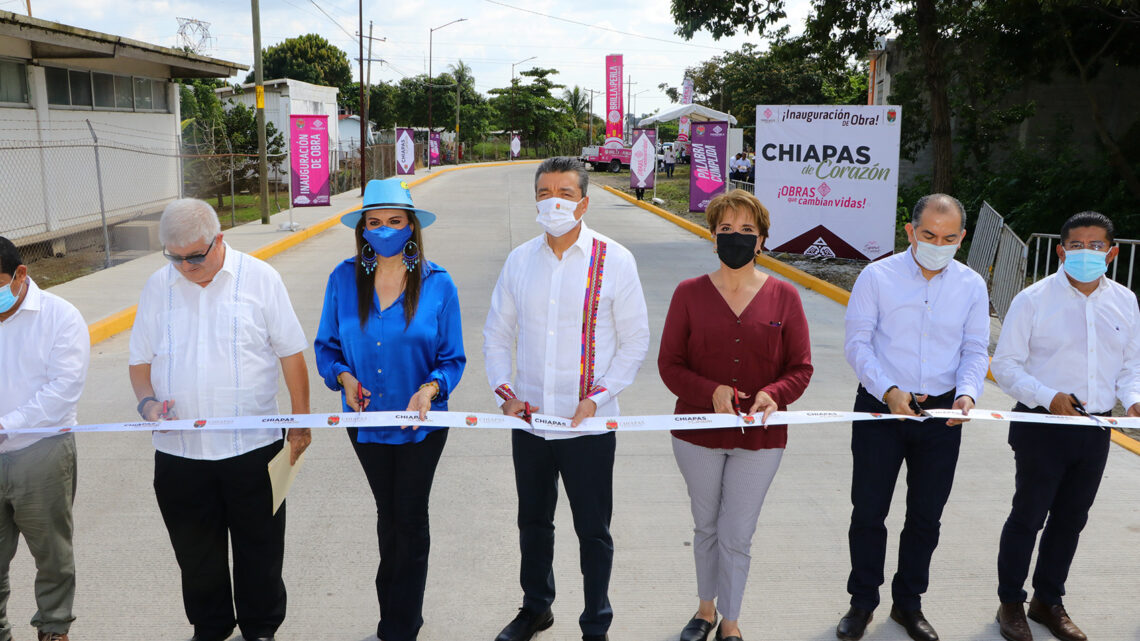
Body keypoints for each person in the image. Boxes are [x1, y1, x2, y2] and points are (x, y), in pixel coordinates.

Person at [128, 199, 311, 641]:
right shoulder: (159, 286)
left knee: (260, 550)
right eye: (175, 257)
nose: (186, 266)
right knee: (195, 554)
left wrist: (301, 424)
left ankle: (261, 628)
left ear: (219, 240)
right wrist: (148, 404)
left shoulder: (260, 279)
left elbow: (291, 355)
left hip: (252, 449)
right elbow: (139, 363)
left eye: (195, 255)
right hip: (180, 454)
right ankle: (210, 628)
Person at [484, 157, 650, 641]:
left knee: (593, 530)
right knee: (533, 522)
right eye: (543, 192)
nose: (552, 201)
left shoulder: (613, 259)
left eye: (563, 192)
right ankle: (536, 607)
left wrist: (596, 400)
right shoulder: (520, 260)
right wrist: (506, 395)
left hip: (588, 425)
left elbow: (635, 340)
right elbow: (497, 334)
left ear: (583, 202)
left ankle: (596, 619)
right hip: (531, 422)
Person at [314, 178, 465, 641]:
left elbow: (452, 359)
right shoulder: (343, 279)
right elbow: (326, 347)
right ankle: (393, 616)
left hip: (423, 425)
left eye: (394, 222)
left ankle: (401, 626)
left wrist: (429, 390)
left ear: (411, 226)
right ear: (362, 228)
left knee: (410, 517)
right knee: (388, 516)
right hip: (365, 425)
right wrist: (343, 377)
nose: (383, 230)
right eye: (373, 222)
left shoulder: (438, 285)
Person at [658, 190, 813, 641]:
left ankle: (731, 621)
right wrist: (712, 392)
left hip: (760, 439)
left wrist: (773, 394)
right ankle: (705, 610)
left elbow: (800, 368)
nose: (736, 238)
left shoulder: (785, 297)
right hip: (696, 434)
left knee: (737, 532)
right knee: (706, 525)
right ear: (712, 238)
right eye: (726, 229)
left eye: (747, 230)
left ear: (762, 240)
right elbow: (670, 365)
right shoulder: (688, 294)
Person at [838, 194, 990, 641]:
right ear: (910, 232)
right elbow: (858, 344)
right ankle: (862, 602)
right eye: (928, 235)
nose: (937, 244)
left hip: (941, 416)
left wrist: (967, 394)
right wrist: (888, 390)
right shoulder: (876, 276)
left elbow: (975, 349)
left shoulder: (971, 285)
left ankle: (909, 604)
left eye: (948, 237)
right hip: (879, 408)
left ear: (961, 238)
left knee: (926, 516)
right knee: (868, 511)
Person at [990, 211, 1140, 641]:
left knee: (1071, 519)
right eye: (1077, 245)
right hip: (1041, 426)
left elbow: (1130, 368)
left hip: (1094, 428)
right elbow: (1005, 366)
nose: (1087, 253)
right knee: (1028, 517)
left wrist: (1132, 399)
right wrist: (1047, 396)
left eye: (1097, 246)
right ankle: (1011, 603)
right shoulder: (1033, 299)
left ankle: (1048, 601)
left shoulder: (1125, 301)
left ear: (1112, 252)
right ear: (1061, 250)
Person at [0, 237, 89, 641]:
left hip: (42, 454)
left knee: (52, 554)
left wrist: (7, 425)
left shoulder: (60, 317)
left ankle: (54, 628)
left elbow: (63, 390)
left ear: (21, 274)